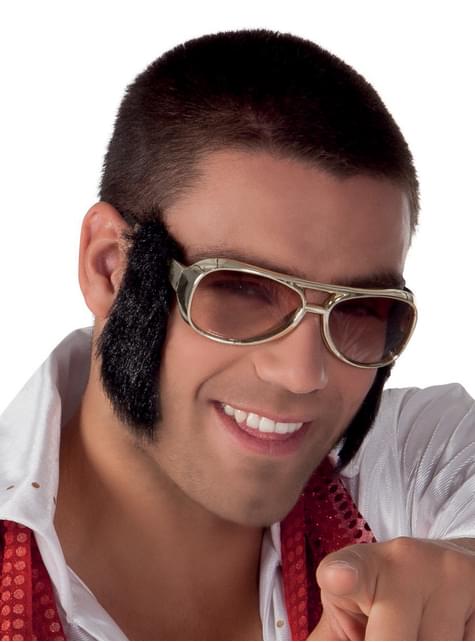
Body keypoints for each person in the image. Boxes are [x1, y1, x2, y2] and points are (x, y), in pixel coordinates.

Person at [1, 29, 474, 641]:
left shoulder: (410, 473)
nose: (303, 373)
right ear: (109, 268)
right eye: (242, 290)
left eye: (358, 310)